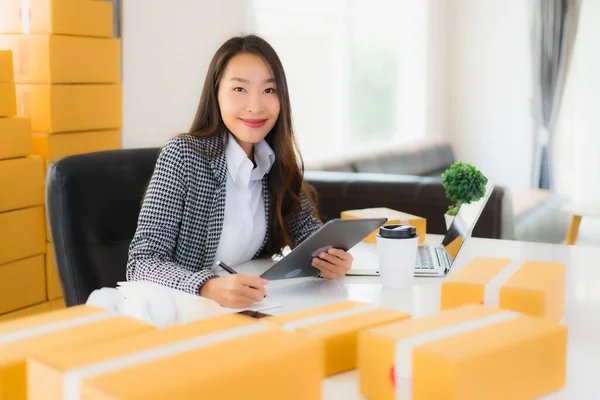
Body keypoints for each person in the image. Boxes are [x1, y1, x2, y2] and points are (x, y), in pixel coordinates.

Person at [126, 35, 354, 308]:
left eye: (269, 90)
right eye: (239, 89)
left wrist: (330, 259)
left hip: (249, 307)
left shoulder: (274, 159)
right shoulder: (184, 155)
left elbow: (308, 234)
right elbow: (142, 261)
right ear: (216, 94)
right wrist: (207, 287)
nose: (255, 106)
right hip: (183, 313)